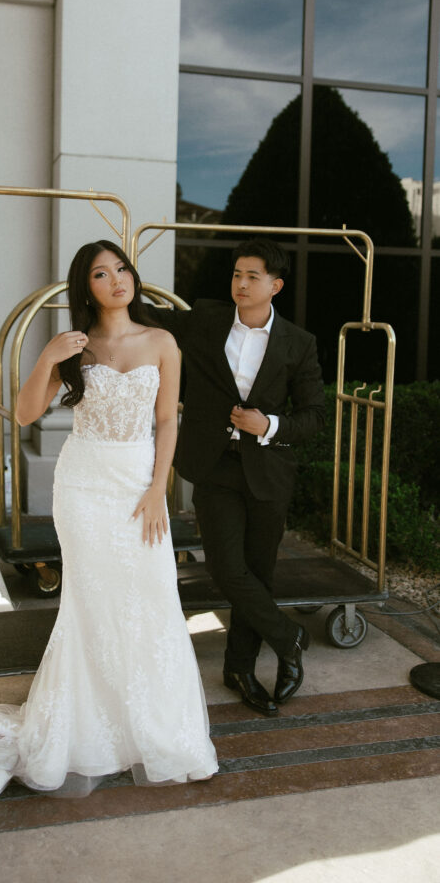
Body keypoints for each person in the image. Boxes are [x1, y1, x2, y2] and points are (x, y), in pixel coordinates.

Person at [0, 240, 218, 805]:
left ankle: (159, 734)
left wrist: (160, 489)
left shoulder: (162, 342)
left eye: (122, 269)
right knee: (91, 606)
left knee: (152, 600)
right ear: (87, 288)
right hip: (83, 490)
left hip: (138, 486)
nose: (117, 280)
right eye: (102, 275)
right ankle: (84, 732)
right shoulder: (75, 349)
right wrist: (46, 357)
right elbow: (25, 411)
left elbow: (166, 422)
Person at [151, 238, 325, 717]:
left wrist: (268, 425)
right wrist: (108, 283)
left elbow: (315, 416)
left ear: (275, 285)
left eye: (252, 276)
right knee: (227, 568)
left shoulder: (299, 343)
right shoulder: (205, 319)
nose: (241, 284)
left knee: (259, 573)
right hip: (214, 465)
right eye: (236, 275)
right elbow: (150, 316)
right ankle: (289, 637)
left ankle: (241, 669)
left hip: (268, 470)